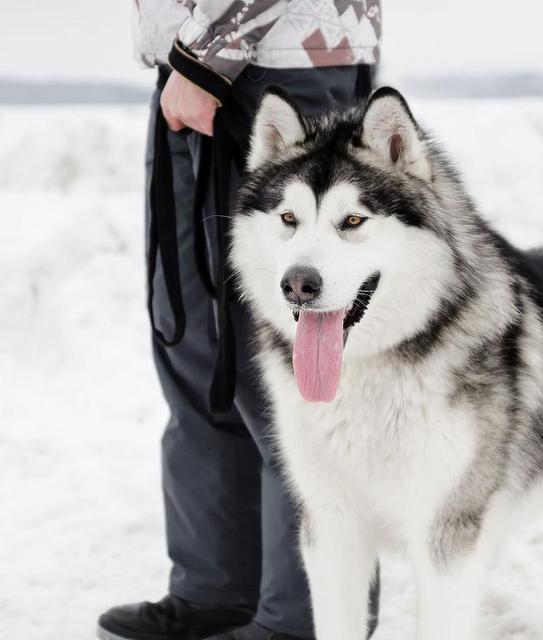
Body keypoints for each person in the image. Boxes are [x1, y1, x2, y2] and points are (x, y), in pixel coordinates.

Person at [97, 3, 381, 640]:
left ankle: (307, 619)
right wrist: (191, 60)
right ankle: (219, 590)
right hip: (198, 67)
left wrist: (208, 54)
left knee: (295, 362)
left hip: (280, 63)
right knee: (198, 339)